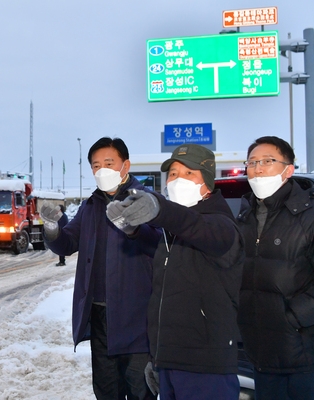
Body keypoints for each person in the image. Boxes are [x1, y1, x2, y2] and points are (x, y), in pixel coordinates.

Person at [106, 143, 244, 400]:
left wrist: (159, 209)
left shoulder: (221, 225)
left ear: (208, 182)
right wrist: (157, 359)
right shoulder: (171, 234)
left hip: (205, 366)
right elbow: (164, 300)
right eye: (172, 174)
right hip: (170, 363)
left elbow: (194, 225)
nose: (177, 180)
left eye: (189, 173)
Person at [40, 137, 160, 400]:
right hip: (101, 317)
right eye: (96, 165)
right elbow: (68, 242)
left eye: (109, 162)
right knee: (107, 391)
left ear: (125, 165)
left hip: (137, 319)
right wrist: (52, 228)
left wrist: (134, 229)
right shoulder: (91, 206)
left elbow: (158, 243)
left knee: (141, 390)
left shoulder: (146, 201)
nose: (101, 169)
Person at [236, 136, 314, 399]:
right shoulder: (244, 218)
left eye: (268, 161)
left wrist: (291, 317)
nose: (258, 169)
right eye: (252, 162)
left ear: (288, 170)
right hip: (260, 354)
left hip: (306, 356)